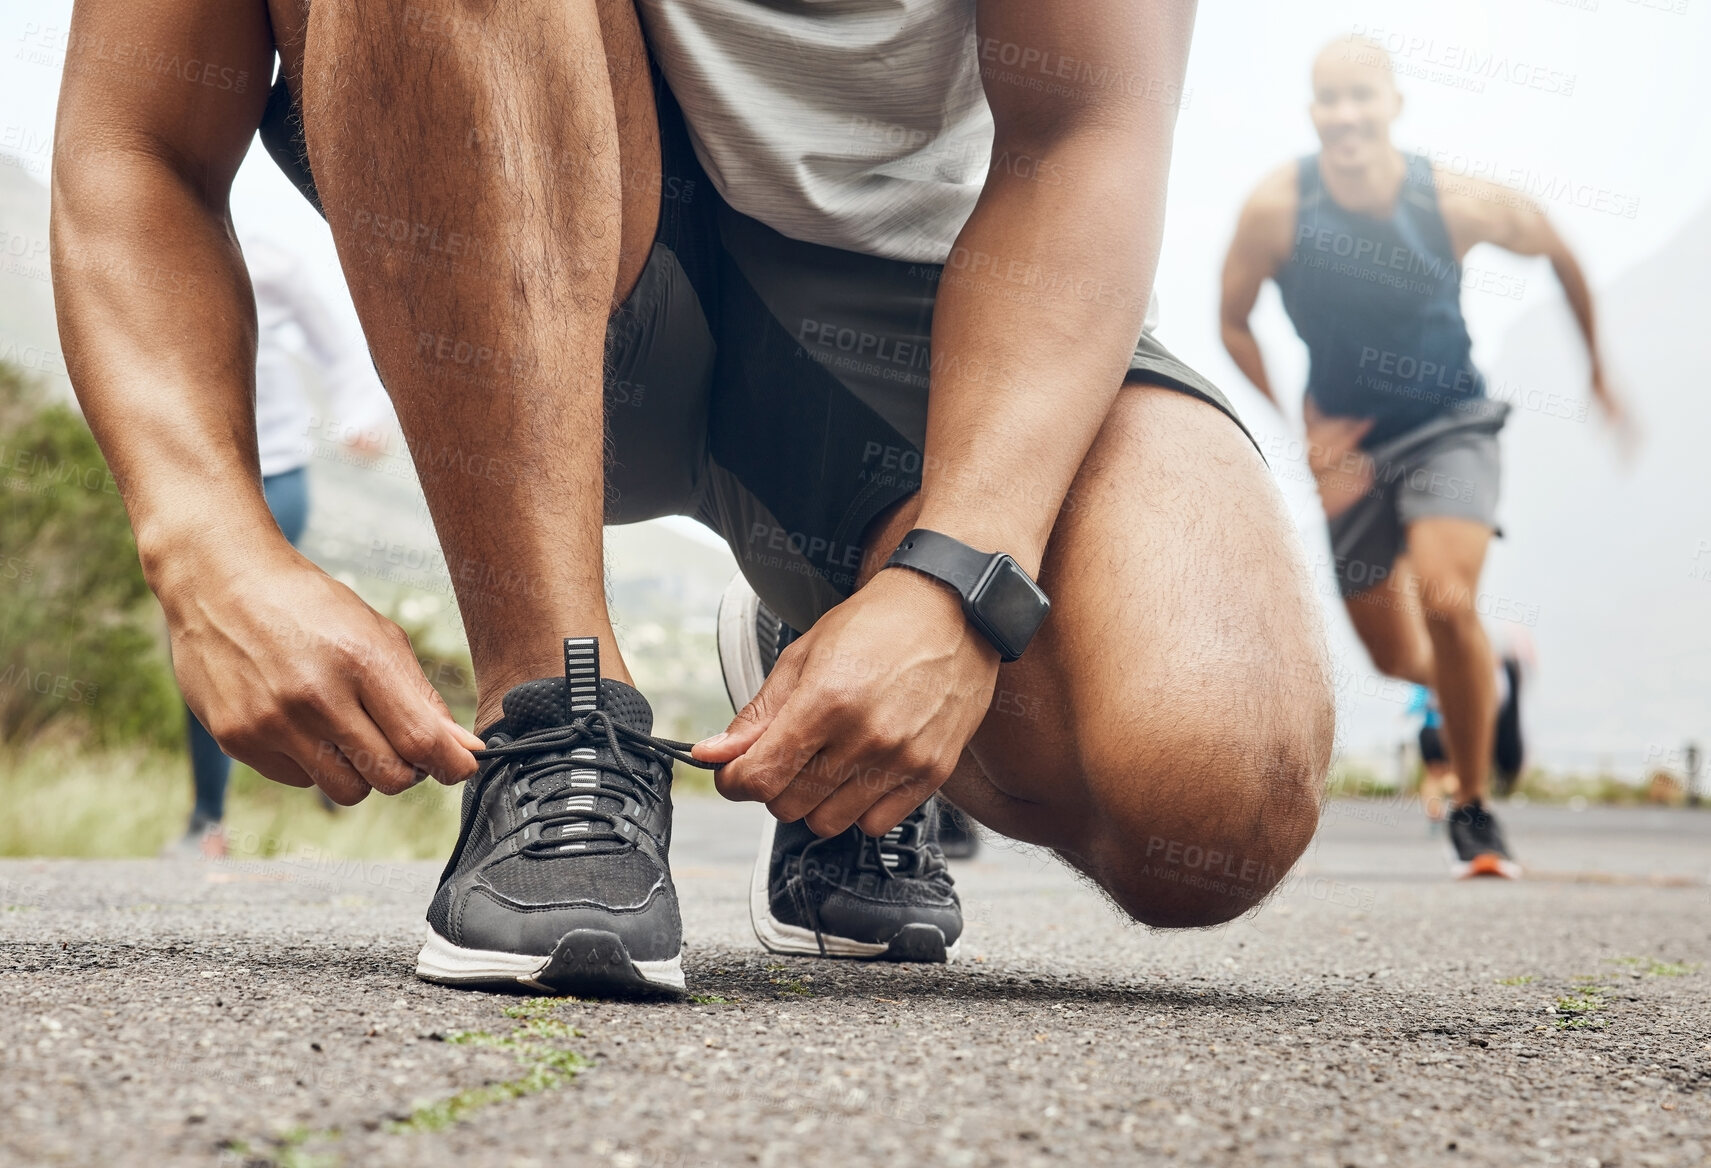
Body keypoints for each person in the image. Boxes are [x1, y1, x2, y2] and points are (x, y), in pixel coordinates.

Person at [54, 0, 1334, 997]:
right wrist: (210, 551)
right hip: (523, 258)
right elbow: (136, 143)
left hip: (932, 313)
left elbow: (1086, 132)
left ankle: (820, 626)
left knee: (1207, 799)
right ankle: (559, 723)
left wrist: (958, 584)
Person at [1219, 38, 1623, 879]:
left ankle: (1471, 810)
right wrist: (1294, 424)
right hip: (1347, 447)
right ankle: (1498, 664)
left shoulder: (1450, 197)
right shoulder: (1277, 207)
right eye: (1329, 98)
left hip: (1449, 423)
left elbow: (1555, 245)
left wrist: (1594, 366)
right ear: (1312, 112)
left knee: (1445, 602)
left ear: (1393, 103)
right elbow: (1232, 317)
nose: (1346, 114)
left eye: (1361, 96)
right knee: (1396, 655)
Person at [164, 237, 392, 858]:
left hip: (277, 473)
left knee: (271, 625)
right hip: (196, 483)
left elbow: (338, 345)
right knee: (203, 635)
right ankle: (209, 821)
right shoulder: (144, 254)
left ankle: (338, 742)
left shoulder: (272, 260)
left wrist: (358, 417)